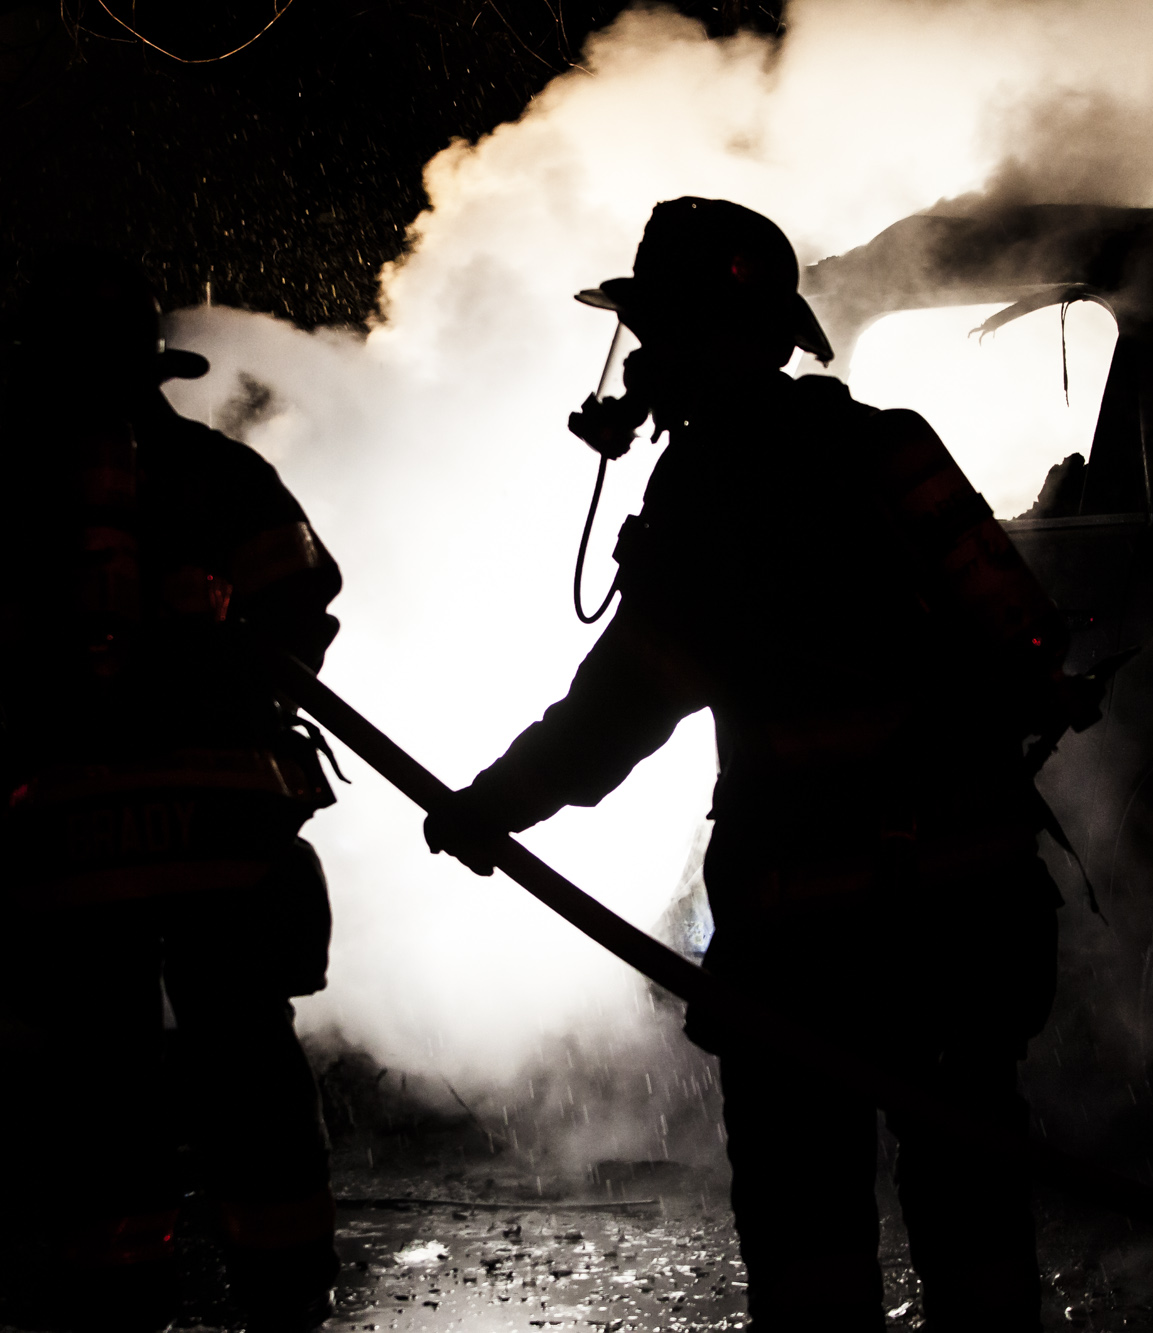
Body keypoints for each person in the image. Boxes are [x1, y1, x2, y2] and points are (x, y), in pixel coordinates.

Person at [424, 199, 1066, 1332]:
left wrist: (492, 808)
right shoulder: (891, 448)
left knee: (809, 1225)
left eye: (651, 335)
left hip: (809, 944)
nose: (638, 366)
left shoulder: (707, 492)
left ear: (688, 339)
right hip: (967, 923)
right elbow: (1023, 639)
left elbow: (617, 713)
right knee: (974, 1209)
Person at [0, 250, 343, 1332]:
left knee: (102, 1086)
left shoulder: (5, 488)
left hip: (71, 854)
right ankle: (282, 1305)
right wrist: (222, 653)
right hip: (227, 838)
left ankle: (117, 1301)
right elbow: (308, 605)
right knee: (248, 1073)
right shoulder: (221, 474)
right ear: (153, 369)